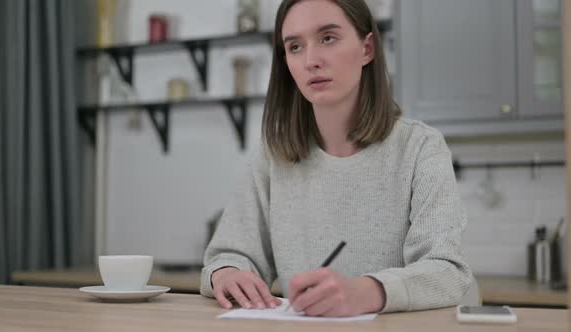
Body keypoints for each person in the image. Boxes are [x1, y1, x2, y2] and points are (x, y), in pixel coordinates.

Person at [200, 0, 471, 317]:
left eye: (328, 38)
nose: (311, 60)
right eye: (295, 46)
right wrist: (228, 272)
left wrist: (370, 292)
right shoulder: (272, 155)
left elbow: (449, 272)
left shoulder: (421, 148)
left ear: (367, 49)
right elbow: (226, 257)